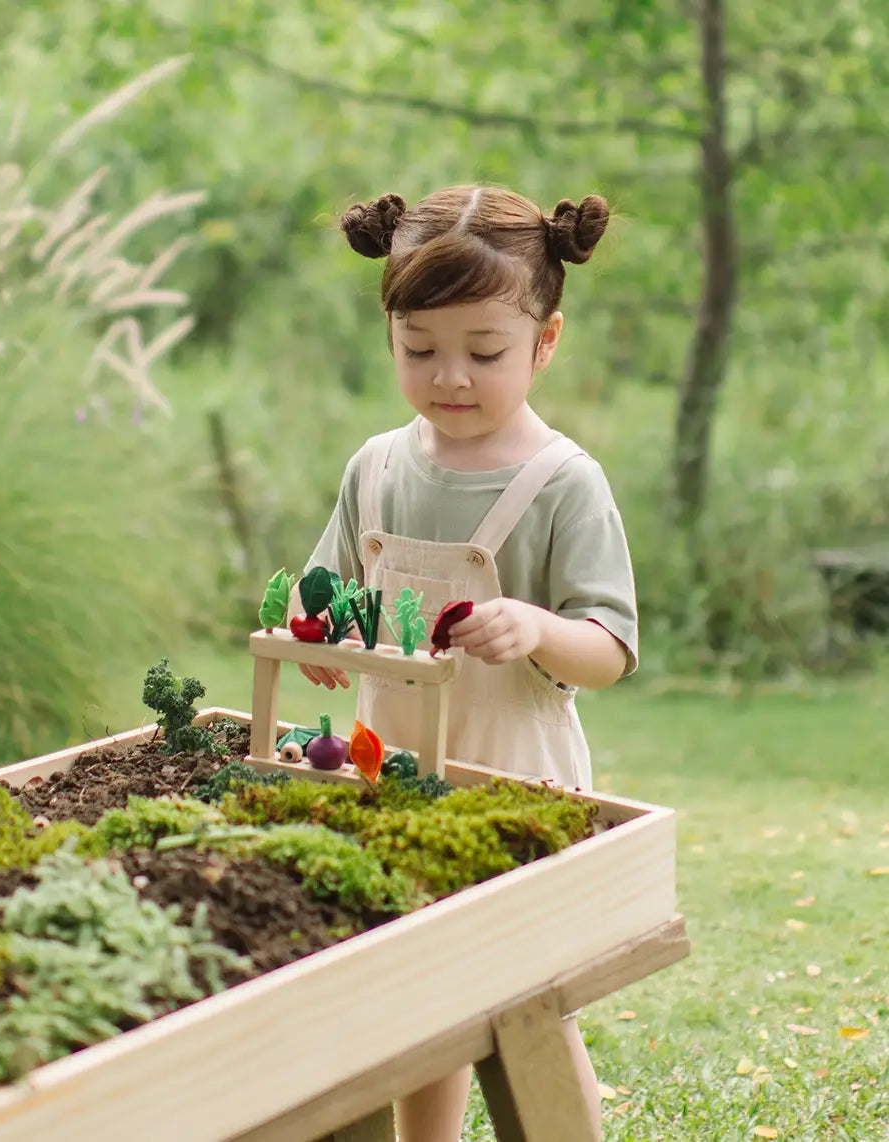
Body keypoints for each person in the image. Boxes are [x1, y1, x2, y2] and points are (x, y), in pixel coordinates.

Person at [297, 185, 638, 1142]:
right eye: (420, 349)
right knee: (407, 994)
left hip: (513, 774)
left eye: (484, 352)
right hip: (388, 767)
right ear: (391, 337)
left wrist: (535, 626)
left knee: (525, 998)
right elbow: (324, 592)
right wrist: (314, 628)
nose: (451, 377)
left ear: (545, 340)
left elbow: (608, 649)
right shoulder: (378, 466)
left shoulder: (563, 482)